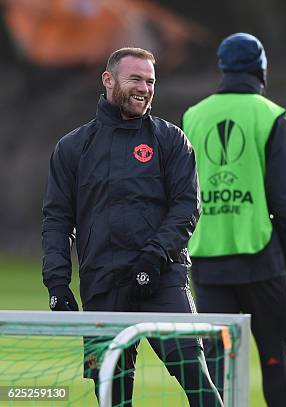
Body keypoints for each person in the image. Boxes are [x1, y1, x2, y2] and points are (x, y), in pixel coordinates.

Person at [42, 47, 210, 406]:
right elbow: (57, 219)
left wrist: (153, 258)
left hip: (163, 281)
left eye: (150, 81)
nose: (145, 88)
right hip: (102, 285)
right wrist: (56, 280)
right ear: (108, 80)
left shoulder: (171, 140)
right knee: (111, 396)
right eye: (135, 79)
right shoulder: (72, 147)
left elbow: (187, 208)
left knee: (200, 387)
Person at [183, 33, 286, 407]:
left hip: (208, 261)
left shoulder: (192, 116)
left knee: (216, 364)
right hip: (261, 261)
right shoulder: (272, 116)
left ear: (222, 68)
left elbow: (180, 194)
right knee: (274, 359)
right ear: (261, 69)